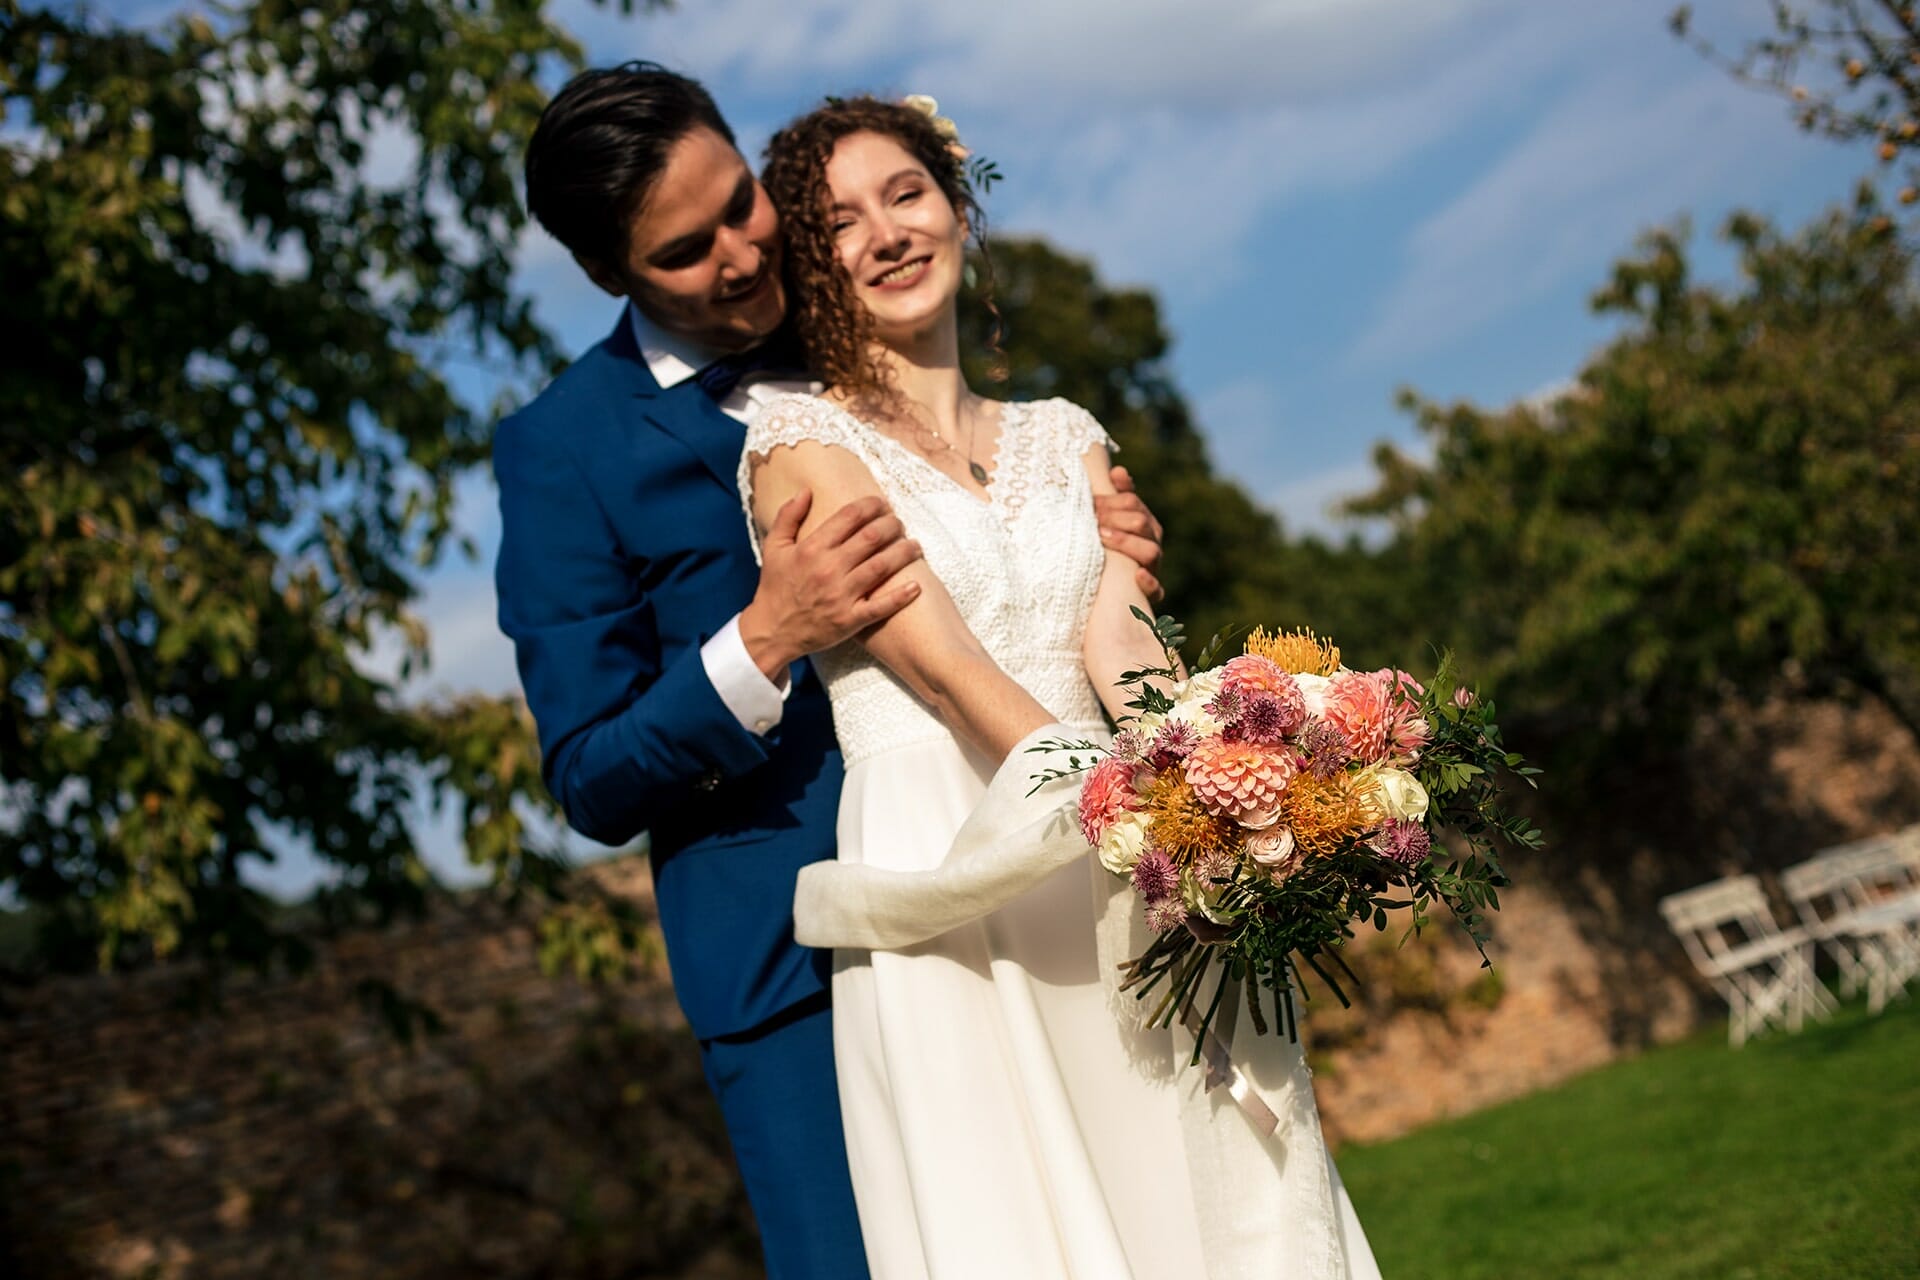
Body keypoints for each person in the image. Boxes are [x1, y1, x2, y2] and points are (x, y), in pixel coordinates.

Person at [492, 64, 1169, 1279]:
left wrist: (1093, 538)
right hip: (794, 971)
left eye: (743, 202)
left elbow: (1012, 518)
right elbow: (589, 773)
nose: (746, 256)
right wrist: (762, 640)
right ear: (610, 277)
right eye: (687, 251)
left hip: (1038, 871)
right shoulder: (562, 451)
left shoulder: (874, 308)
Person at [739, 97, 1383, 1278]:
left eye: (906, 194)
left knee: (1183, 1166)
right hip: (954, 844)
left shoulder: (1064, 429)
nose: (885, 233)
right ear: (807, 260)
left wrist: (1223, 780)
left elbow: (1124, 644)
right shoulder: (797, 439)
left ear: (957, 205)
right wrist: (1131, 810)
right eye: (838, 222)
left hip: (1114, 833)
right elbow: (941, 668)